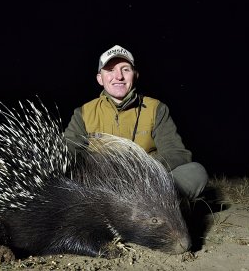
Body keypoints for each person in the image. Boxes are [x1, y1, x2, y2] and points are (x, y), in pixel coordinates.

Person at [64, 45, 208, 201]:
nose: (118, 76)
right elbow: (69, 151)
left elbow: (177, 153)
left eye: (125, 69)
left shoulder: (156, 108)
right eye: (110, 70)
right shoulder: (84, 113)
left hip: (148, 183)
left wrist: (139, 169)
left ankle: (163, 207)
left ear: (135, 75)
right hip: (99, 184)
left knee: (196, 171)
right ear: (100, 78)